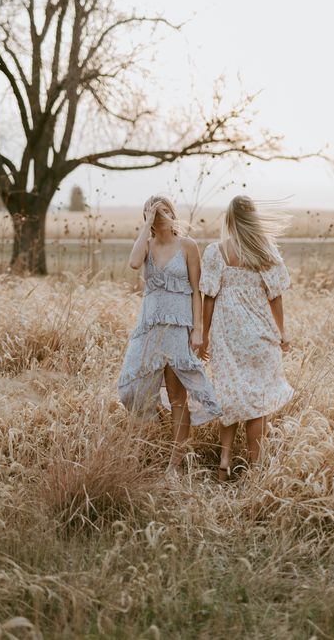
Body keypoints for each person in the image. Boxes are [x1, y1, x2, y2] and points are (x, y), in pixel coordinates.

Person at [118, 196, 221, 470]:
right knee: (133, 390)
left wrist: (198, 330)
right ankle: (161, 437)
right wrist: (146, 226)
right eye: (152, 211)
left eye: (164, 209)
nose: (159, 214)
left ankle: (176, 461)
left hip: (178, 327)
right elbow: (133, 263)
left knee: (177, 396)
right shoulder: (147, 246)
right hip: (150, 327)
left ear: (172, 213)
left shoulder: (187, 246)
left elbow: (197, 291)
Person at [199, 195, 294, 481]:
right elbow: (275, 297)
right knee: (257, 403)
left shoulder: (217, 252)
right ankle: (256, 468)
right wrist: (281, 333)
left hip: (226, 333)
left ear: (229, 219)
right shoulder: (265, 252)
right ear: (253, 218)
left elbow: (209, 297)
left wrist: (203, 336)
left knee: (228, 395)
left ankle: (224, 462)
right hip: (259, 333)